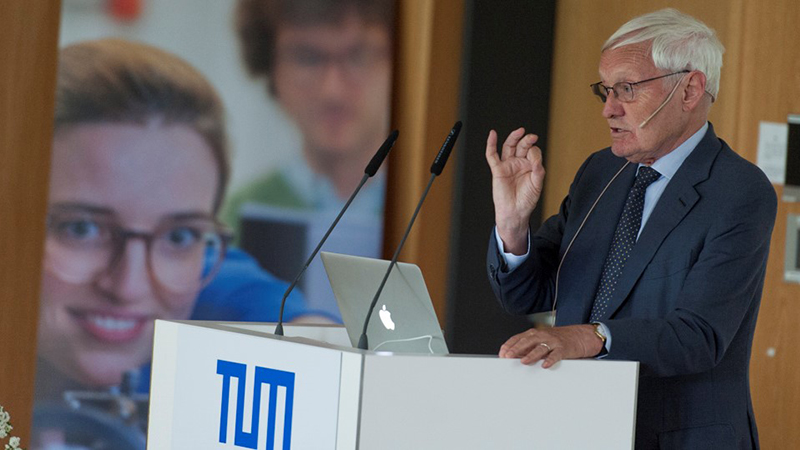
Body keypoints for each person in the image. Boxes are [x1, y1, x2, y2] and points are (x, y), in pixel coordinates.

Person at [485, 9, 776, 449]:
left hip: (680, 436)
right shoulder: (602, 173)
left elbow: (698, 335)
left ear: (690, 89)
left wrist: (588, 337)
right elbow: (527, 294)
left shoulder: (739, 191)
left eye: (627, 88)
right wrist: (511, 224)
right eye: (605, 90)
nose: (608, 108)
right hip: (581, 427)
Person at [34, 38, 314, 449]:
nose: (128, 286)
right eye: (83, 229)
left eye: (177, 236)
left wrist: (316, 346)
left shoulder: (205, 276)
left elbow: (243, 290)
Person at [221, 0, 394, 229]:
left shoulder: (440, 206)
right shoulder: (236, 220)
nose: (333, 91)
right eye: (308, 58)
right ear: (270, 68)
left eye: (358, 56)